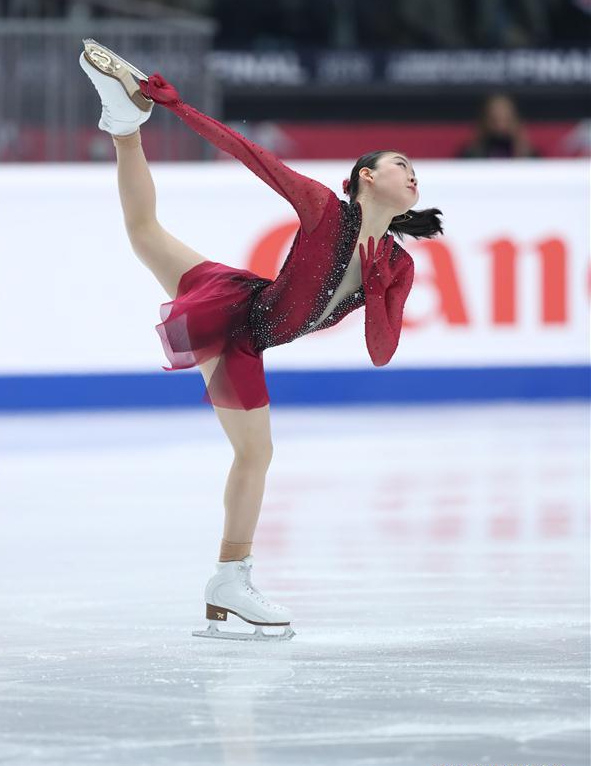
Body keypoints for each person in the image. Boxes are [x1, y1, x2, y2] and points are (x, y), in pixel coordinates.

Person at [79, 39, 443, 641]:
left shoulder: (398, 265)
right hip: (238, 324)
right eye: (401, 164)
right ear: (365, 177)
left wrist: (377, 280)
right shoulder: (326, 210)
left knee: (146, 237)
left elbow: (381, 351)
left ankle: (122, 128)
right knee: (256, 453)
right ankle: (229, 577)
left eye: (416, 170)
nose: (412, 174)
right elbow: (248, 153)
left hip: (245, 304)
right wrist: (172, 105)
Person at [458, 93, 542, 158]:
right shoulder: (469, 158)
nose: (500, 126)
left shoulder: (532, 159)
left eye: (506, 119)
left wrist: (523, 156)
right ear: (484, 122)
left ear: (516, 122)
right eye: (494, 120)